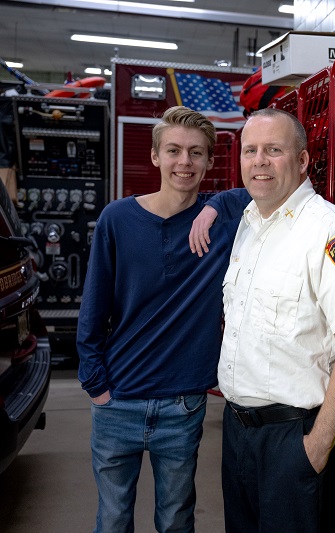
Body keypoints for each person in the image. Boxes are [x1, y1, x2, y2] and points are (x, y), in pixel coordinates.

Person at [204, 107, 335, 532]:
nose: (259, 161)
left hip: (293, 437)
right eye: (250, 151)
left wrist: (315, 449)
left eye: (273, 150)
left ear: (302, 161)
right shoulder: (249, 224)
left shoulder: (330, 232)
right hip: (238, 432)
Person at [76, 105, 250, 533]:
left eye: (196, 153)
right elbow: (94, 307)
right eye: (173, 150)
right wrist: (95, 384)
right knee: (114, 518)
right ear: (155, 156)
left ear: (210, 161)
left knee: (175, 519)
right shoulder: (117, 219)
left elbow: (281, 186)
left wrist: (215, 206)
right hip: (118, 399)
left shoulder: (224, 226)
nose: (184, 162)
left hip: (183, 403)